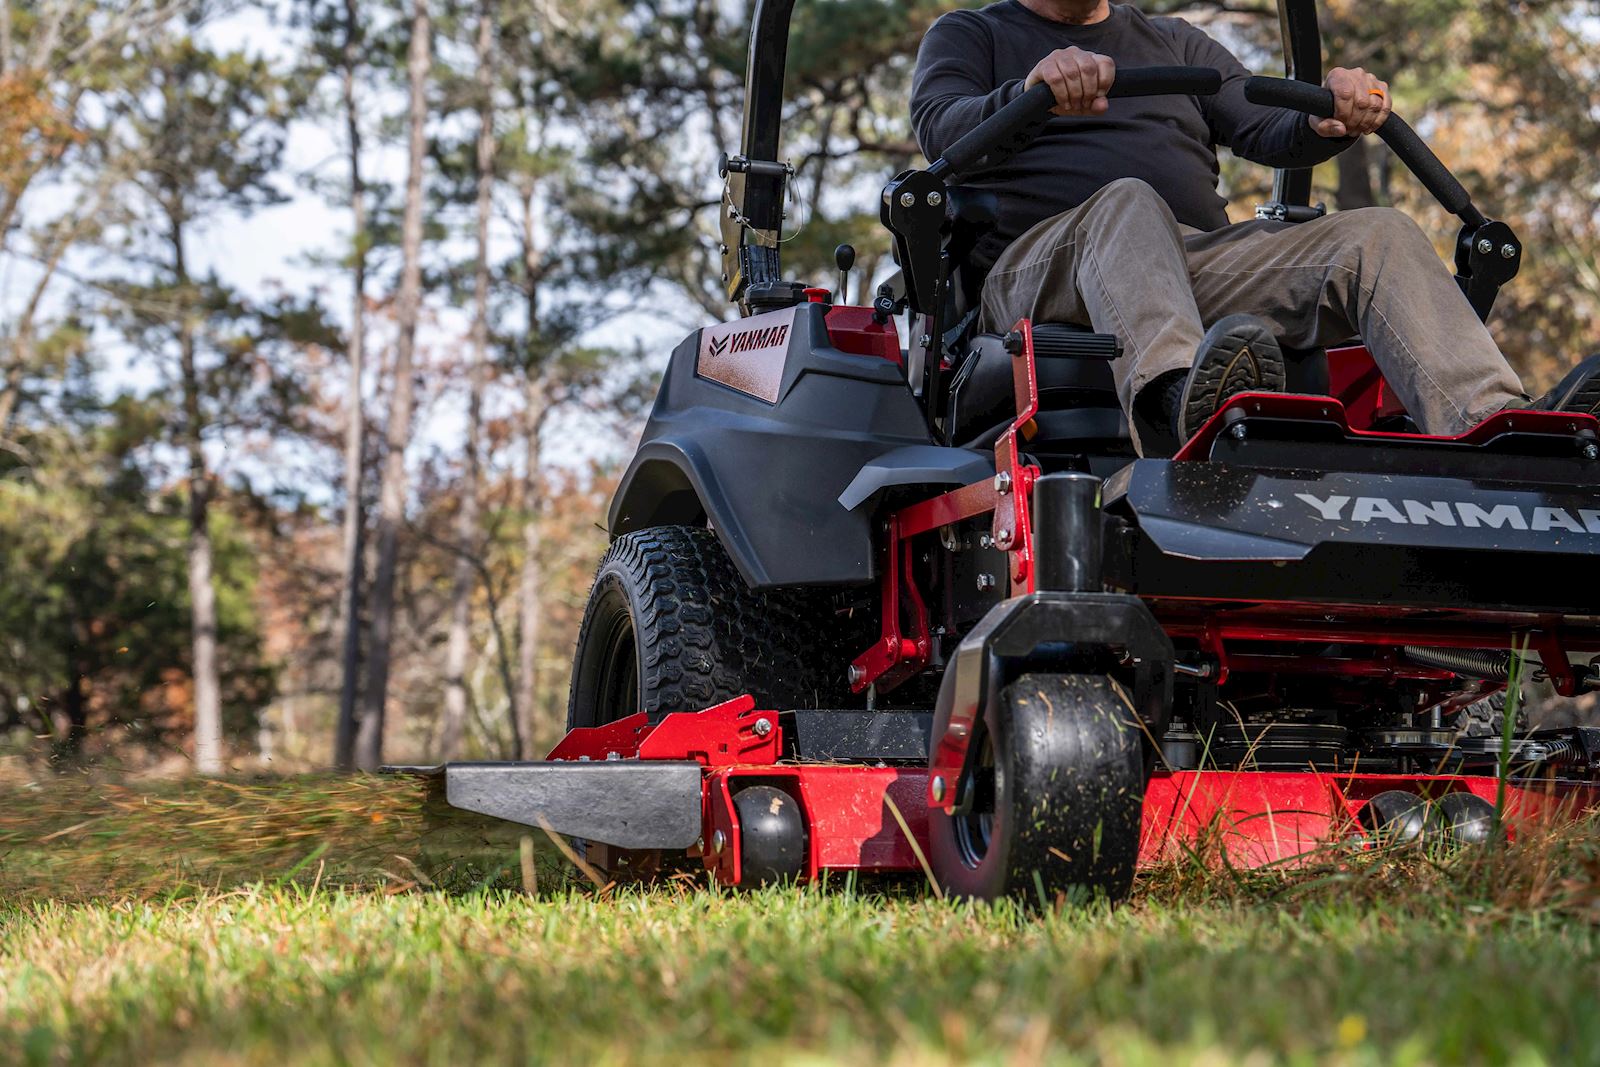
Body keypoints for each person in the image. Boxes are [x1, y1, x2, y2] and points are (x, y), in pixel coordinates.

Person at [910, 0, 1600, 454]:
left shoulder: (1174, 41)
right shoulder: (974, 33)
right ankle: (1178, 403)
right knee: (1129, 202)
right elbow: (940, 125)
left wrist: (1326, 117)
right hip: (1039, 272)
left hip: (1183, 264)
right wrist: (1030, 96)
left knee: (1377, 234)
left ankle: (1499, 427)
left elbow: (1265, 123)